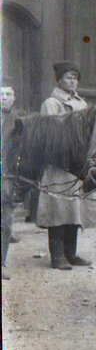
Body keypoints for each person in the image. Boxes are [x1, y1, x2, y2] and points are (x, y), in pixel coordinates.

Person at [37, 62, 96, 270]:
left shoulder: (81, 103)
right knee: (58, 208)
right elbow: (49, 133)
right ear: (59, 80)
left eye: (75, 77)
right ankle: (57, 256)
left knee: (75, 208)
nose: (72, 81)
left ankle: (71, 253)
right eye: (68, 77)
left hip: (78, 163)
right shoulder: (51, 103)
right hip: (59, 163)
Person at [2, 80, 20, 279]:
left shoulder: (19, 120)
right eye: (1, 94)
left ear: (14, 98)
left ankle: (1, 262)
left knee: (5, 221)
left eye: (8, 94)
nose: (4, 98)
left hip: (7, 175)